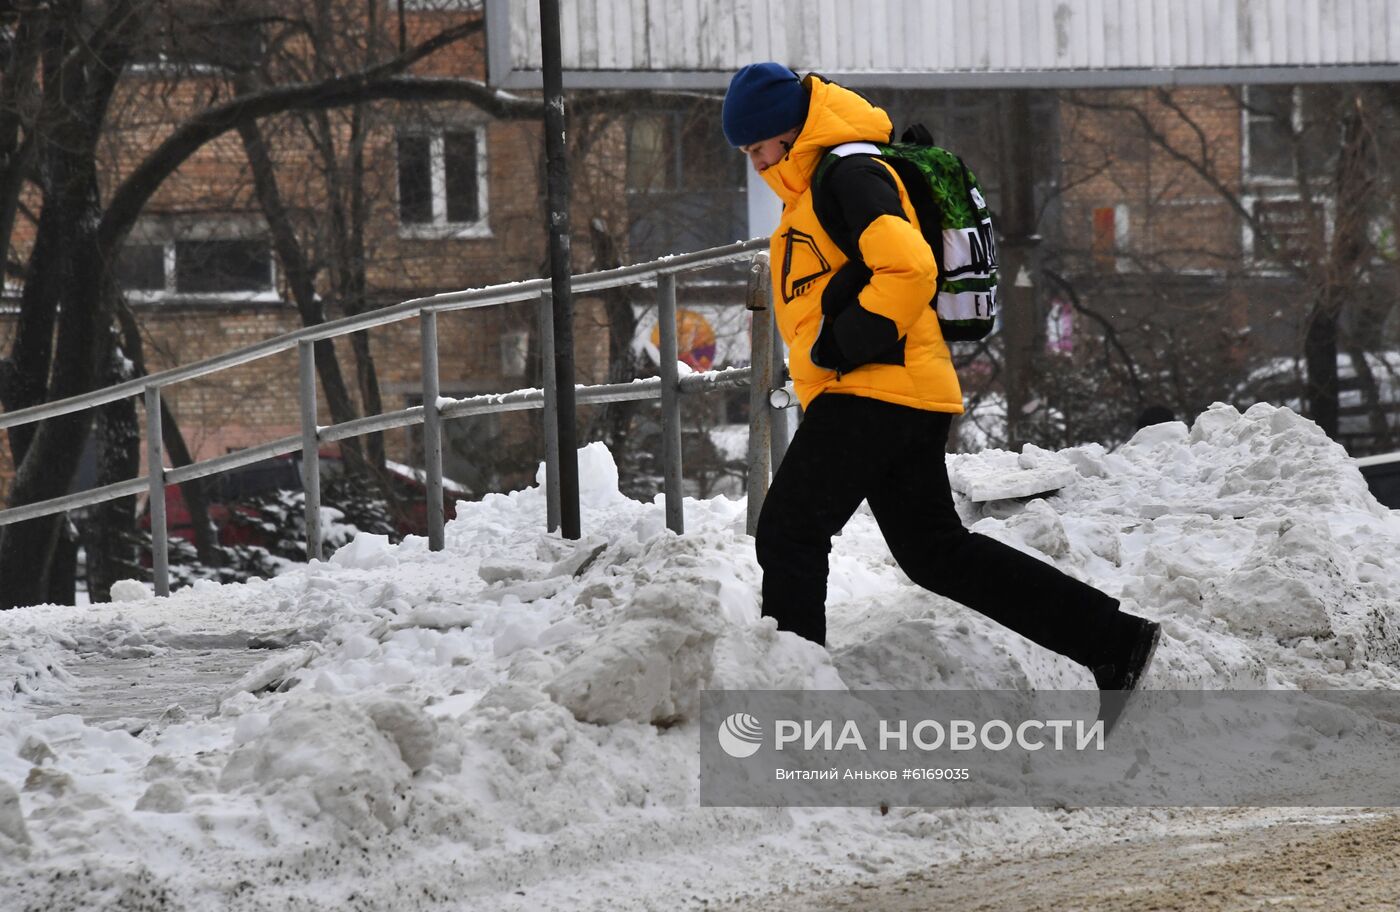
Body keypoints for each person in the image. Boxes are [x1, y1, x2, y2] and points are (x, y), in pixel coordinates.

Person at [723, 63, 1160, 722]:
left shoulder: (850, 175)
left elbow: (910, 266)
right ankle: (1113, 641)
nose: (756, 163)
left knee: (788, 531)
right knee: (936, 553)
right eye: (748, 153)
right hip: (895, 392)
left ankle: (796, 706)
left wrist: (845, 343)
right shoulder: (816, 188)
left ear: (791, 130)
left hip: (875, 388)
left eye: (760, 147)